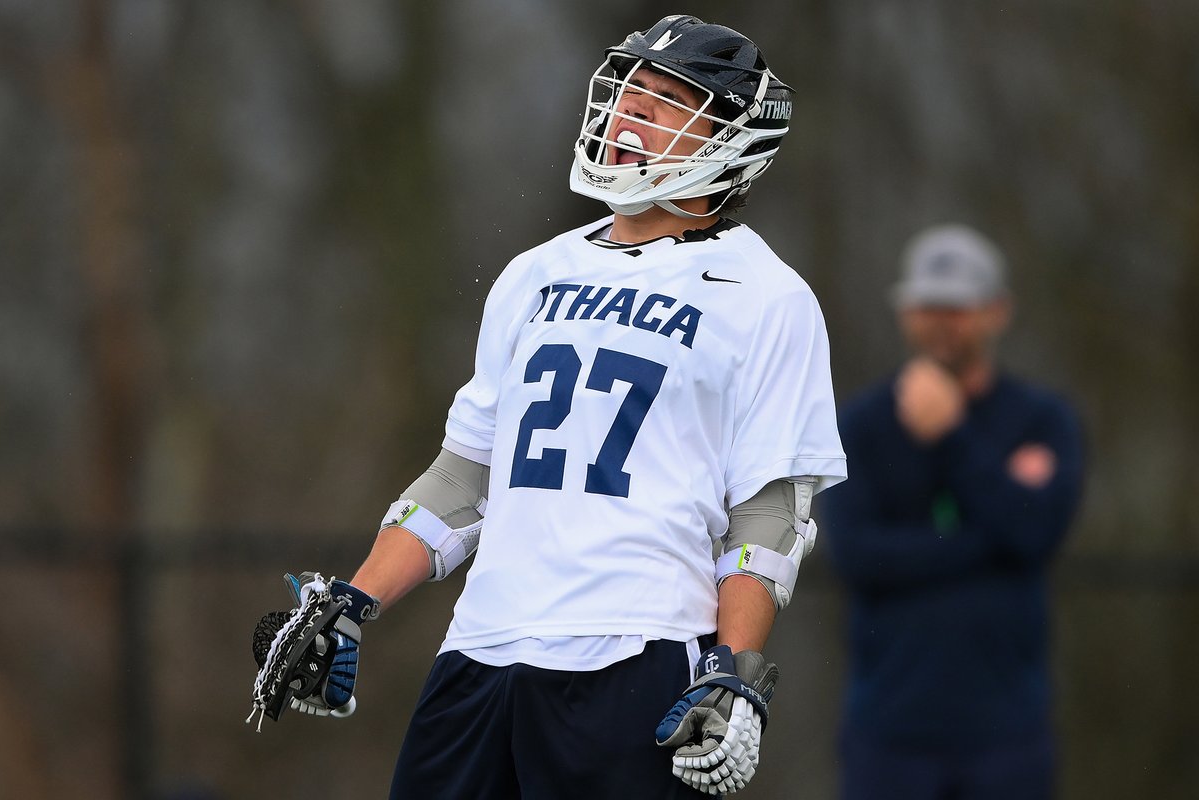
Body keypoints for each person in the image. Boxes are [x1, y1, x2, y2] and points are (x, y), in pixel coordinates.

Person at [250, 14, 846, 799]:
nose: (632, 110)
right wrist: (355, 601)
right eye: (631, 89)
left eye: (667, 99)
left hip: (635, 652)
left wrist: (732, 674)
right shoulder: (534, 273)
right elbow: (466, 479)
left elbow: (768, 520)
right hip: (481, 649)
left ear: (729, 137)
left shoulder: (769, 298)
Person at [822, 224, 1085, 800]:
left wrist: (953, 435)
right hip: (888, 734)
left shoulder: (1042, 419)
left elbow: (1037, 533)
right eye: (927, 305)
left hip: (1007, 733)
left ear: (997, 312)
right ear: (904, 312)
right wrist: (987, 540)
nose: (940, 320)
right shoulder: (859, 426)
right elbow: (860, 557)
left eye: (958, 307)